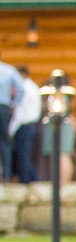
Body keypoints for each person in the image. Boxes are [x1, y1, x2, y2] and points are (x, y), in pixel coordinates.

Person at [10, 65, 40, 184]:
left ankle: (26, 180)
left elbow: (20, 112)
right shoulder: (33, 87)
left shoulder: (24, 89)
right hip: (32, 124)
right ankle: (33, 179)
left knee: (22, 154)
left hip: (24, 125)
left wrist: (11, 130)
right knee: (25, 154)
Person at [0, 50, 21, 181]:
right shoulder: (9, 70)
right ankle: (6, 175)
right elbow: (21, 88)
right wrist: (14, 103)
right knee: (4, 142)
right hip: (4, 107)